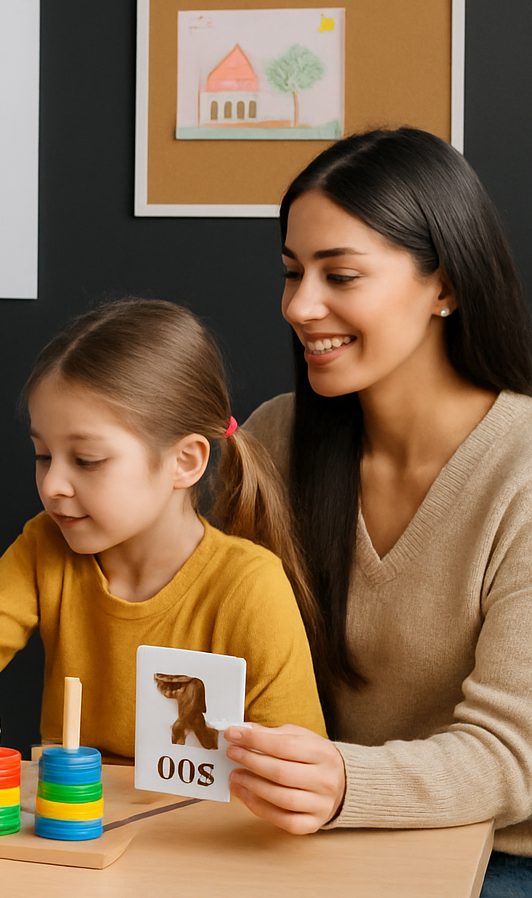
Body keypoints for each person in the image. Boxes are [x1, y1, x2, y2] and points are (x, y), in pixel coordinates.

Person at [228, 128, 532, 893]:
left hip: (497, 857)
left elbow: (509, 753)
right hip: (305, 837)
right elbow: (218, 651)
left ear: (446, 287)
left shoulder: (522, 466)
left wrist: (343, 786)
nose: (301, 306)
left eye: (342, 275)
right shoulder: (273, 437)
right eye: (293, 272)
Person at [0, 298, 326, 791]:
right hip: (73, 831)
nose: (52, 483)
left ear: (185, 462)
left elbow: (295, 762)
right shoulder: (44, 545)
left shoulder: (251, 585)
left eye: (87, 459)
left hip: (202, 848)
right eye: (42, 455)